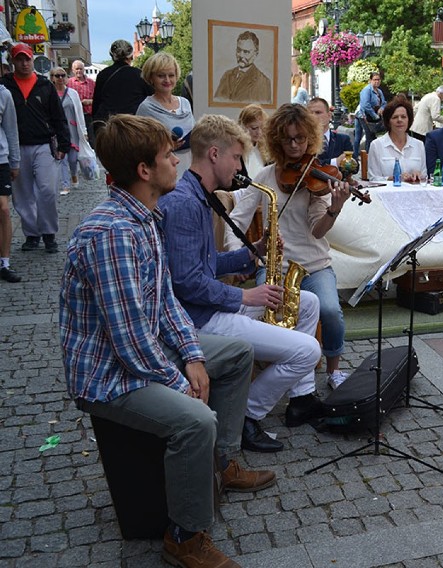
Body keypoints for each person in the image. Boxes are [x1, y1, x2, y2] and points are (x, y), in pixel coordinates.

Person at [60, 114, 274, 568]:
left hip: (137, 352)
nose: (177, 163)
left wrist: (193, 354)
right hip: (106, 375)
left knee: (236, 354)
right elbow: (129, 336)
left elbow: (164, 305)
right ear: (144, 170)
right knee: (195, 420)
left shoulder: (145, 216)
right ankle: (185, 536)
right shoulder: (114, 232)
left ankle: (224, 463)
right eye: (167, 157)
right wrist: (181, 382)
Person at [159, 113, 324, 450]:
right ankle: (246, 415)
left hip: (210, 308)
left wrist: (253, 252)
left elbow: (205, 264)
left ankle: (302, 397)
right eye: (237, 157)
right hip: (201, 320)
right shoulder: (186, 203)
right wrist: (246, 298)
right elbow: (187, 282)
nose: (240, 167)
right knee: (308, 350)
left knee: (309, 303)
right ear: (215, 155)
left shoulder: (198, 195)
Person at [224, 104, 353, 389]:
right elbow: (237, 219)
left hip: (314, 265)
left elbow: (318, 231)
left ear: (311, 138)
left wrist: (335, 207)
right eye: (288, 139)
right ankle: (269, 371)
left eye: (301, 139)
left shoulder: (316, 177)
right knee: (259, 318)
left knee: (330, 311)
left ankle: (334, 370)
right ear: (277, 141)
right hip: (275, 266)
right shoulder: (264, 177)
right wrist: (238, 257)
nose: (295, 146)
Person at [1, 43, 70, 254]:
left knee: (47, 190)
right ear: (12, 62)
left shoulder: (44, 85)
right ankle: (31, 233)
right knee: (22, 196)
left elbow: (58, 116)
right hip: (17, 146)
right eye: (19, 59)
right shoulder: (5, 86)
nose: (24, 63)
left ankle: (49, 232)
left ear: (33, 60)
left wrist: (64, 144)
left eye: (27, 59)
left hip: (43, 143)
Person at [136, 52, 194, 180]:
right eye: (161, 76)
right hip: (163, 171)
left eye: (171, 75)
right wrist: (166, 146)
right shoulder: (145, 108)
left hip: (189, 166)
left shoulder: (184, 103)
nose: (167, 80)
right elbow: (139, 145)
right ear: (151, 78)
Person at [92, 40, 153, 139]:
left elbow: (97, 104)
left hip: (108, 127)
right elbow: (151, 100)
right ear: (131, 56)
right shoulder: (139, 74)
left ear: (111, 56)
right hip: (133, 127)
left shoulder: (103, 75)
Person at [368, 95, 428, 182]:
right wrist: (393, 178)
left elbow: (425, 176)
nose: (399, 120)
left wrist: (419, 176)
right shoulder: (376, 145)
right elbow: (373, 179)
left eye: (403, 117)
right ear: (388, 121)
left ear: (409, 120)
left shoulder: (419, 145)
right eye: (395, 117)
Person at [51, 67, 86, 196]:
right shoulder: (50, 93)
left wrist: (84, 130)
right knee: (62, 158)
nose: (60, 78)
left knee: (73, 159)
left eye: (62, 75)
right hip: (57, 131)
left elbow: (79, 112)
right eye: (57, 76)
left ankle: (74, 174)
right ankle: (65, 185)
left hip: (73, 130)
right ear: (52, 78)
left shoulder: (72, 93)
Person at [214, 30, 272, 104]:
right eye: (239, 50)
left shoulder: (263, 82)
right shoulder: (227, 75)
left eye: (246, 52)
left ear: (256, 54)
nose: (241, 55)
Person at [0, 80, 20, 283]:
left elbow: (11, 129)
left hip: (1, 160)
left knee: (4, 209)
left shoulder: (4, 94)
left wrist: (15, 161)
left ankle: (4, 262)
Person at [308, 97, 353, 168]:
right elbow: (308, 165)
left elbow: (355, 166)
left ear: (329, 115)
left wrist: (348, 162)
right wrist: (335, 162)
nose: (313, 116)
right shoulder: (304, 141)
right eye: (310, 113)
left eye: (318, 112)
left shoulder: (343, 139)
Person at [353, 72, 386, 154]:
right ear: (370, 80)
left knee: (362, 137)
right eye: (375, 80)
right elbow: (365, 105)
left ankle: (359, 156)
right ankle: (363, 157)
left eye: (378, 80)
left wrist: (382, 108)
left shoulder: (379, 91)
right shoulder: (367, 90)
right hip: (363, 115)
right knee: (369, 136)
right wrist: (374, 115)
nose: (377, 82)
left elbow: (384, 102)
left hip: (370, 116)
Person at [238, 103, 271, 178]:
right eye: (254, 128)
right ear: (243, 126)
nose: (259, 132)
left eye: (261, 128)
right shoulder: (237, 151)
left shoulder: (265, 150)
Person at [67, 59, 95, 140]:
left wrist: (89, 101)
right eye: (76, 69)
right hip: (74, 116)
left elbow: (98, 99)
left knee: (91, 140)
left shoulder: (91, 83)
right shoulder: (68, 83)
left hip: (88, 116)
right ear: (72, 70)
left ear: (84, 69)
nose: (79, 71)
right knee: (76, 139)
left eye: (80, 69)